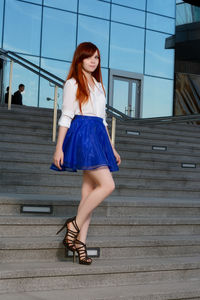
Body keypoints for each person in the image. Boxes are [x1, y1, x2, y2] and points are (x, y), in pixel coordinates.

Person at [50, 42, 121, 265]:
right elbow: (66, 116)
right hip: (83, 135)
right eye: (89, 57)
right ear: (79, 59)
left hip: (98, 135)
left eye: (97, 58)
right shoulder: (72, 83)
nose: (93, 61)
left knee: (88, 194)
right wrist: (59, 147)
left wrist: (112, 148)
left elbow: (103, 120)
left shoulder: (99, 85)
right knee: (108, 185)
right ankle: (73, 225)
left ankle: (80, 244)